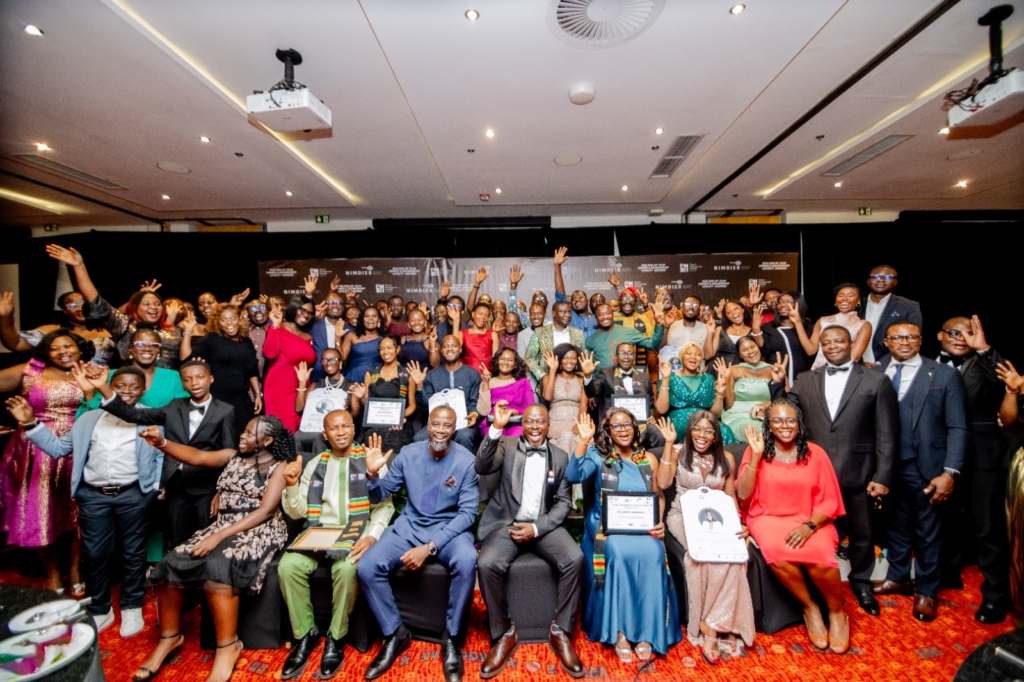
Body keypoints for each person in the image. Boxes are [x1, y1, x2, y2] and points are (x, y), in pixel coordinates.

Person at [132, 415, 294, 682]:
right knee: (171, 562)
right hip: (222, 525)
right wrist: (161, 442)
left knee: (218, 566)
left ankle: (228, 646)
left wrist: (218, 536)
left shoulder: (279, 466)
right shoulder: (232, 456)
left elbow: (265, 511)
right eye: (244, 430)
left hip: (259, 528)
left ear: (267, 441)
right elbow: (197, 457)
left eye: (250, 433)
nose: (242, 435)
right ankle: (169, 637)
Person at [10, 367, 163, 637]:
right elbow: (58, 449)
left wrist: (153, 489)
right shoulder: (88, 419)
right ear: (110, 387)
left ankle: (131, 606)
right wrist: (31, 423)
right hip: (94, 497)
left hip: (134, 495)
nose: (126, 391)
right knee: (94, 555)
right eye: (120, 386)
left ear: (143, 390)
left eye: (133, 386)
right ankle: (101, 608)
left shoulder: (150, 419)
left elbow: (162, 455)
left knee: (133, 552)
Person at [769, 325, 898, 617]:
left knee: (863, 533)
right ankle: (816, 588)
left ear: (851, 343)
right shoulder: (806, 378)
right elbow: (788, 410)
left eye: (838, 341)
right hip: (813, 474)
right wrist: (777, 384)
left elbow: (887, 433)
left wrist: (883, 476)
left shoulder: (876, 381)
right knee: (813, 531)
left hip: (859, 470)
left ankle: (862, 583)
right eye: (826, 343)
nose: (832, 346)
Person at [357, 406, 479, 682]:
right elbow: (379, 495)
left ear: (455, 428)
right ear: (428, 425)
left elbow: (467, 515)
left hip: (449, 531)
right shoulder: (409, 454)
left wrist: (431, 547)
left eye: (447, 425)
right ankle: (395, 633)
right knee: (367, 566)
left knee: (467, 559)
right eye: (435, 424)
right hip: (409, 528)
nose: (440, 430)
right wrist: (372, 475)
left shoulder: (466, 462)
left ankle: (452, 637)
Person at [278, 410, 395, 680]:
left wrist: (371, 536)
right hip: (319, 531)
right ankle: (305, 634)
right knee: (287, 566)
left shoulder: (370, 459)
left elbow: (384, 506)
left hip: (355, 532)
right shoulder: (315, 464)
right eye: (334, 428)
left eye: (345, 426)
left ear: (354, 429)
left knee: (347, 569)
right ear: (325, 434)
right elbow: (298, 512)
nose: (341, 432)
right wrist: (292, 485)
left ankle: (336, 636)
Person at [475, 403, 585, 679]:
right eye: (529, 421)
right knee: (487, 564)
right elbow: (482, 465)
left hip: (542, 526)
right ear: (522, 424)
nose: (535, 427)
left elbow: (564, 502)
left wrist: (536, 529)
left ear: (548, 425)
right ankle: (503, 633)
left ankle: (560, 631)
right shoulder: (507, 445)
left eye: (540, 422)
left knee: (575, 559)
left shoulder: (560, 456)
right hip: (507, 523)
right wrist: (496, 428)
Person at [565, 409, 680, 662]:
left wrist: (659, 522)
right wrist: (583, 440)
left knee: (655, 552)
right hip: (606, 527)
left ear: (635, 428)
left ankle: (648, 631)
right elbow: (573, 476)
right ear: (608, 430)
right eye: (616, 426)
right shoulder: (599, 456)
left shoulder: (647, 459)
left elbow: (660, 492)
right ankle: (619, 630)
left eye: (627, 424)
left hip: (641, 527)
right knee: (617, 552)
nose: (623, 430)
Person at [736, 400, 849, 654]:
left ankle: (836, 612)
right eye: (776, 420)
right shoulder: (757, 451)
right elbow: (743, 494)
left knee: (821, 556)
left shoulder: (815, 453)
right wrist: (756, 456)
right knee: (777, 551)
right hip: (767, 517)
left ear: (799, 424)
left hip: (812, 519)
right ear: (768, 425)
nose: (784, 425)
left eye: (790, 420)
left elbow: (829, 500)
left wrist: (809, 526)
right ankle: (810, 607)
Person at [872, 322, 967, 622]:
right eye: (897, 337)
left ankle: (926, 590)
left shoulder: (943, 374)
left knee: (928, 532)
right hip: (888, 467)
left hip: (927, 467)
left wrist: (950, 472)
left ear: (921, 340)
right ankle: (898, 577)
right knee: (895, 525)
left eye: (911, 337)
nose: (905, 342)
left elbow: (958, 427)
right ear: (886, 341)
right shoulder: (876, 371)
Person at [96, 359, 237, 548]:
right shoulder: (174, 406)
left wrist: (221, 491)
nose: (194, 383)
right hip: (176, 484)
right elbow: (134, 415)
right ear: (182, 384)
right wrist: (104, 389)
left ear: (211, 379)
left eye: (199, 377)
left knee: (206, 536)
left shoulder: (226, 411)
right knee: (177, 536)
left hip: (206, 486)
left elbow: (230, 455)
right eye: (187, 379)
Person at [657, 412, 755, 664]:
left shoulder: (726, 459)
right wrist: (668, 443)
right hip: (683, 516)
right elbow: (663, 482)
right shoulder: (678, 452)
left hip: (718, 518)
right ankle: (707, 624)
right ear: (689, 431)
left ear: (715, 435)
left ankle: (715, 621)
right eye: (697, 429)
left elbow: (730, 498)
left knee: (735, 556)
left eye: (708, 431)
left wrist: (739, 526)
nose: (702, 435)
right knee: (699, 556)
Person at [0, 330, 91, 594]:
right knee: (41, 511)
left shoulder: (94, 371)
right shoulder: (30, 372)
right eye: (55, 347)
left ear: (80, 349)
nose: (63, 351)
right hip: (35, 449)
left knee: (79, 513)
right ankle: (51, 572)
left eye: (68, 346)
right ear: (46, 353)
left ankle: (75, 569)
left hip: (79, 445)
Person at [935, 315, 1011, 623]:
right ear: (940, 335)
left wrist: (985, 350)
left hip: (983, 456)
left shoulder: (985, 363)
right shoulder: (929, 366)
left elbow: (1007, 384)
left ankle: (997, 596)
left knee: (988, 528)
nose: (960, 337)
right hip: (942, 456)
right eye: (954, 332)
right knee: (945, 521)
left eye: (968, 333)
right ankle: (947, 576)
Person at [46, 245, 185, 368]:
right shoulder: (124, 326)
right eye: (146, 304)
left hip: (170, 383)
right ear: (134, 309)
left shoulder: (176, 330)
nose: (153, 307)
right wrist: (79, 266)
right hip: (132, 382)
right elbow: (96, 301)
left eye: (157, 304)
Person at [77, 325, 189, 417]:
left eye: (154, 345)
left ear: (159, 350)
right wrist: (89, 392)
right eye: (140, 344)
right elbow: (90, 418)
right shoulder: (109, 375)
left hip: (159, 433)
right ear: (130, 348)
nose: (147, 349)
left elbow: (180, 411)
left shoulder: (172, 376)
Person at [181, 304, 261, 432]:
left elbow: (252, 370)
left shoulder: (246, 342)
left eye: (233, 318)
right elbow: (185, 358)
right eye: (224, 320)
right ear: (218, 322)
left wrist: (257, 394)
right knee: (220, 435)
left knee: (242, 434)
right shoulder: (212, 339)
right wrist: (188, 331)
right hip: (218, 397)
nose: (229, 323)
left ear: (239, 319)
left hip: (240, 397)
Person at [0, 290, 114, 366]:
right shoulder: (50, 331)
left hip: (97, 383)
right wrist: (6, 318)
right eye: (73, 306)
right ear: (64, 310)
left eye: (84, 305)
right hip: (55, 384)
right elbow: (15, 344)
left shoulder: (108, 331)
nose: (80, 309)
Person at [410, 335, 481, 452]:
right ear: (441, 350)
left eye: (454, 346)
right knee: (419, 438)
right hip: (438, 423)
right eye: (446, 346)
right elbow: (424, 406)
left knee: (465, 436)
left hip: (463, 422)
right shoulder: (432, 375)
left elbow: (475, 401)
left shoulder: (472, 374)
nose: (450, 349)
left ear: (460, 349)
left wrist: (474, 414)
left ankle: (465, 464)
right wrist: (419, 386)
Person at [655, 343, 735, 444]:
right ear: (681, 357)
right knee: (688, 429)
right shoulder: (671, 377)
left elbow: (715, 414)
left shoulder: (708, 379)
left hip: (705, 421)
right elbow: (661, 410)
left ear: (701, 359)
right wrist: (666, 378)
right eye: (689, 353)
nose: (693, 357)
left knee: (725, 431)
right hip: (677, 423)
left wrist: (719, 393)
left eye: (698, 354)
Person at [352, 335, 418, 453]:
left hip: (398, 424)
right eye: (382, 349)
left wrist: (399, 418)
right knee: (372, 439)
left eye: (389, 347)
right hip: (375, 423)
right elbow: (367, 405)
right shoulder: (371, 374)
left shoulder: (407, 375)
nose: (385, 352)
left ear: (397, 349)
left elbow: (412, 405)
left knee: (396, 441)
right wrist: (361, 397)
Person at [263, 298, 317, 432]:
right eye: (302, 310)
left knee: (299, 430)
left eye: (310, 313)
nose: (306, 315)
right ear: (293, 308)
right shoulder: (278, 329)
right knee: (284, 430)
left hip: (301, 387)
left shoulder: (308, 337)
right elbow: (270, 353)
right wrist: (275, 325)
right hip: (280, 388)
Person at [293, 350, 360, 455]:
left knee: (319, 438)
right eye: (324, 360)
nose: (328, 363)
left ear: (340, 362)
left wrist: (345, 411)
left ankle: (321, 464)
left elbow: (355, 415)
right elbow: (299, 409)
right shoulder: (316, 385)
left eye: (333, 360)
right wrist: (302, 382)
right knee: (297, 436)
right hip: (313, 426)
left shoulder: (351, 385)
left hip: (334, 429)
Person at [863, 265, 923, 365]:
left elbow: (912, 340)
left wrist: (881, 364)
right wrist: (857, 363)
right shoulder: (857, 304)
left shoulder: (908, 306)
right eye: (876, 276)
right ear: (868, 281)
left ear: (895, 282)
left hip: (892, 366)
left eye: (888, 277)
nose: (881, 280)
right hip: (857, 366)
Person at [584, 300, 666, 373]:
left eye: (608, 313)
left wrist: (659, 324)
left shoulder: (629, 332)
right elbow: (589, 369)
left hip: (625, 381)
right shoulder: (590, 341)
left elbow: (652, 345)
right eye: (600, 315)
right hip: (601, 383)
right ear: (596, 318)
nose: (605, 317)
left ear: (613, 314)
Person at [719, 337, 773, 443]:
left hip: (766, 415)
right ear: (740, 355)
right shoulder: (733, 370)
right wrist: (726, 380)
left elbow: (785, 398)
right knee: (753, 433)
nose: (750, 351)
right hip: (739, 415)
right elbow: (728, 405)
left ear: (758, 347)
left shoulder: (774, 369)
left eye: (753, 347)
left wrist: (769, 404)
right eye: (745, 350)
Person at [807, 284, 872, 369]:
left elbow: (854, 358)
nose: (844, 298)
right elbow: (810, 351)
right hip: (818, 371)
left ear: (858, 301)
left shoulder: (863, 325)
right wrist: (798, 322)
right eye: (841, 295)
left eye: (850, 295)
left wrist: (835, 373)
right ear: (835, 300)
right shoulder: (822, 321)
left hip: (845, 372)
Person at [755, 292, 813, 386]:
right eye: (780, 302)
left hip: (803, 380)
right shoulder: (769, 327)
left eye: (788, 301)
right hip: (777, 378)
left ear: (799, 303)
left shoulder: (809, 328)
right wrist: (756, 329)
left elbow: (811, 352)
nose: (782, 305)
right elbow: (764, 351)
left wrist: (797, 323)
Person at [541, 344, 588, 455]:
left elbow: (583, 405)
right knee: (567, 436)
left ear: (577, 361)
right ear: (560, 360)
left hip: (576, 423)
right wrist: (553, 370)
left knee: (579, 438)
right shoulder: (548, 377)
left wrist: (580, 424)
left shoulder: (582, 380)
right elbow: (547, 397)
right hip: (555, 423)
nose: (569, 361)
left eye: (573, 358)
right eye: (565, 358)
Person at [478, 348, 535, 439]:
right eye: (502, 359)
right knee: (495, 436)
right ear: (497, 361)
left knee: (517, 435)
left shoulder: (523, 382)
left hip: (517, 421)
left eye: (510, 360)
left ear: (515, 364)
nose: (505, 362)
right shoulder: (487, 382)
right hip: (493, 420)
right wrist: (486, 383)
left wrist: (514, 412)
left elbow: (531, 409)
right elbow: (483, 411)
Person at [524, 302, 585, 385]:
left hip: (573, 383)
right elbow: (529, 357)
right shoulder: (540, 332)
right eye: (563, 312)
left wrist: (581, 379)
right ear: (553, 314)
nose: (567, 315)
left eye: (569, 312)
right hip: (548, 382)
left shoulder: (578, 334)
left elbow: (582, 359)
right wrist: (542, 375)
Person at [552, 247, 597, 338]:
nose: (577, 300)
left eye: (580, 297)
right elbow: (560, 293)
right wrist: (557, 266)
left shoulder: (597, 318)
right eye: (573, 299)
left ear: (587, 301)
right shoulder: (570, 317)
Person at [310, 292, 350, 383]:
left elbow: (343, 357)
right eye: (331, 302)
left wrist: (338, 339)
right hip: (316, 377)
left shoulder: (349, 329)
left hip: (340, 378)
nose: (335, 305)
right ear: (325, 305)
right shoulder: (313, 325)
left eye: (339, 303)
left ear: (343, 306)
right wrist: (312, 317)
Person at [703, 300, 751, 374]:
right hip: (717, 371)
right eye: (728, 312)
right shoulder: (720, 330)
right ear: (726, 316)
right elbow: (707, 356)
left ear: (742, 309)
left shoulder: (753, 332)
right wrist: (710, 331)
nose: (733, 313)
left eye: (735, 308)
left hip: (741, 373)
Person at [452, 302, 498, 376]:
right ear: (473, 314)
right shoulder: (463, 333)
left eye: (486, 315)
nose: (483, 317)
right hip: (467, 374)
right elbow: (454, 350)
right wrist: (456, 321)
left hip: (487, 374)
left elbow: (495, 360)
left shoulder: (493, 334)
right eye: (480, 313)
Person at [342, 305, 384, 382]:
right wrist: (337, 338)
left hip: (375, 378)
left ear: (379, 319)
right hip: (354, 377)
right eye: (367, 316)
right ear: (362, 319)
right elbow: (342, 357)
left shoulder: (383, 339)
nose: (370, 319)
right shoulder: (352, 336)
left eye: (374, 316)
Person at [663, 295, 707, 366]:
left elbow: (709, 356)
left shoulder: (706, 328)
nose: (691, 307)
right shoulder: (671, 325)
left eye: (695, 305)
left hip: (697, 371)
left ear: (699, 310)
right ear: (681, 308)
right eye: (687, 304)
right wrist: (666, 326)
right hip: (673, 370)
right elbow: (661, 348)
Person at [245, 298, 270, 379]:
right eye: (253, 309)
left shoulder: (276, 329)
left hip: (272, 379)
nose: (258, 311)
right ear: (248, 314)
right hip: (248, 380)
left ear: (268, 311)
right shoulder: (242, 331)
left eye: (262, 307)